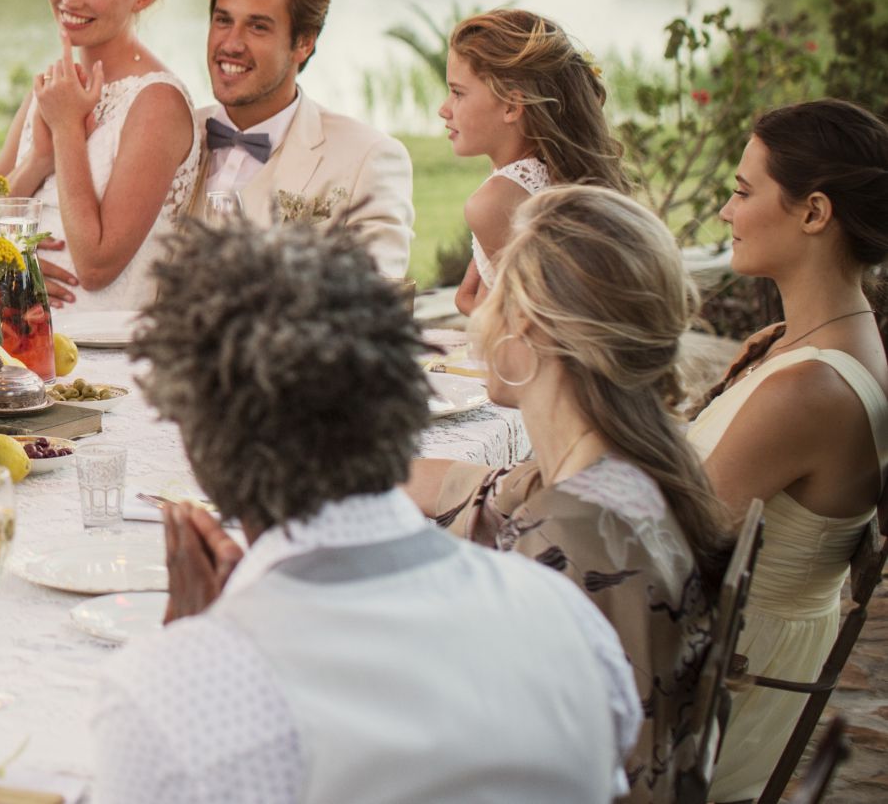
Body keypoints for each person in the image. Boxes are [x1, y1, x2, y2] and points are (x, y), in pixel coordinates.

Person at [95, 217, 639, 803]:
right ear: (406, 399)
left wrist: (187, 659)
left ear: (199, 448)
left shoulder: (176, 693)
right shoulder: (569, 621)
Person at [409, 186, 730, 804]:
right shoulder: (627, 468)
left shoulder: (565, 545)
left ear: (530, 326)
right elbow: (473, 489)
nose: (476, 314)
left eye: (495, 293)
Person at [685, 99, 888, 801]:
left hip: (718, 690)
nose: (724, 211)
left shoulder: (810, 389)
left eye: (742, 192)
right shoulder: (795, 345)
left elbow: (658, 546)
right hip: (723, 650)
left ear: (813, 213)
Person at [0, 0, 198, 324]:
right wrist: (38, 162)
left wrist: (67, 131)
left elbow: (97, 266)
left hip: (105, 355)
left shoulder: (157, 102)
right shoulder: (53, 86)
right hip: (16, 338)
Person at [186, 0, 414, 278]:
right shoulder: (169, 133)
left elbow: (370, 302)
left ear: (304, 43)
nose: (231, 44)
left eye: (258, 26)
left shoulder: (369, 159)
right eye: (223, 20)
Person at [441, 8, 630, 313]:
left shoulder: (494, 200)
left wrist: (467, 304)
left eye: (458, 93)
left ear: (512, 106)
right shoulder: (555, 173)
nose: (444, 109)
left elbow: (509, 320)